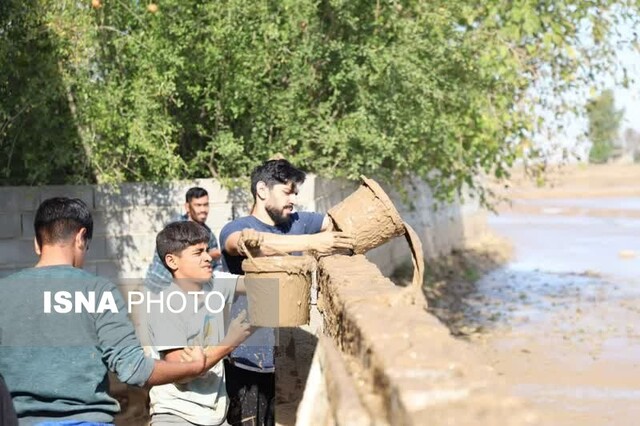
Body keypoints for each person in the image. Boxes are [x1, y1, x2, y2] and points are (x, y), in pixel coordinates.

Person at [0, 197, 210, 425]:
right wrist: (193, 367)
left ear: (36, 243)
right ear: (81, 238)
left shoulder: (4, 291)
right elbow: (134, 369)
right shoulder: (98, 291)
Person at [219, 159, 355, 426]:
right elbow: (247, 246)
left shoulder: (299, 222)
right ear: (262, 190)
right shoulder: (236, 228)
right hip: (248, 358)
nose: (293, 199)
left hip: (290, 357)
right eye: (287, 192)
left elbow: (341, 223)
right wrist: (314, 242)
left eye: (296, 193)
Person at [147, 221, 252, 426]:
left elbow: (260, 285)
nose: (207, 258)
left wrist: (259, 251)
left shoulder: (215, 284)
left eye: (206, 250)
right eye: (197, 253)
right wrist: (229, 342)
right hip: (177, 415)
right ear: (172, 261)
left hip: (216, 416)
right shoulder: (164, 306)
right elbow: (182, 373)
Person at [145, 187, 222, 294]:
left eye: (206, 205)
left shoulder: (208, 234)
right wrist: (212, 254)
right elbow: (183, 257)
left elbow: (216, 266)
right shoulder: (175, 229)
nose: (203, 210)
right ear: (187, 207)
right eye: (198, 205)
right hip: (159, 286)